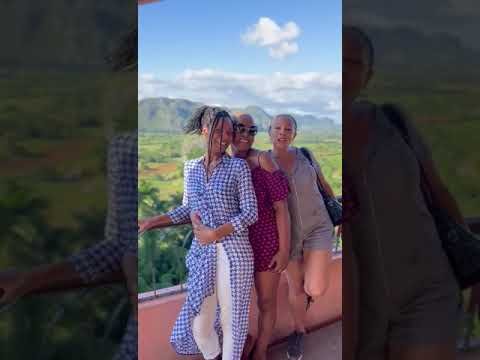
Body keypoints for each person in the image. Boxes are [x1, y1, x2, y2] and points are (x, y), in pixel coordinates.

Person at [342, 25, 467, 360]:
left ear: (368, 76)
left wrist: (473, 265)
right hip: (359, 308)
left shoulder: (393, 124)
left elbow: (438, 192)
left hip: (427, 289)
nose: (341, 72)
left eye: (352, 63)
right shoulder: (307, 153)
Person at [139, 106, 257, 360]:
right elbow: (187, 209)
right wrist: (151, 221)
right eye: (220, 130)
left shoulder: (238, 168)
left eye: (229, 132)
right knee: (200, 326)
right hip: (203, 255)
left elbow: (250, 213)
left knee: (232, 322)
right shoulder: (191, 168)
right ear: (205, 131)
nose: (225, 137)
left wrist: (216, 234)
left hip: (235, 254)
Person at [268, 114, 336, 360]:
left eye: (288, 129)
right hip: (287, 236)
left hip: (319, 226)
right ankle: (299, 330)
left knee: (315, 288)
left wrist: (342, 214)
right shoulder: (264, 162)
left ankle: (305, 296)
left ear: (294, 134)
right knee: (295, 287)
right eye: (277, 128)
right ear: (270, 132)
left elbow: (324, 185)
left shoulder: (305, 155)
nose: (282, 132)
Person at [230, 113, 290, 360]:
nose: (246, 134)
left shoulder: (262, 160)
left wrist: (284, 250)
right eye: (240, 128)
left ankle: (261, 351)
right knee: (234, 306)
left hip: (266, 242)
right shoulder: (223, 162)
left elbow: (281, 208)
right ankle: (244, 343)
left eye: (251, 130)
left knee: (266, 302)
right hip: (236, 244)